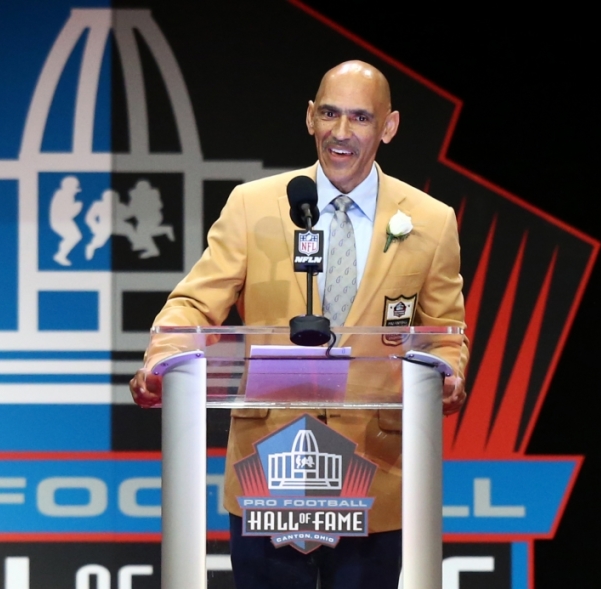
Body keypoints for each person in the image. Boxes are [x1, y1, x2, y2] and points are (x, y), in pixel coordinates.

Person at [130, 60, 469, 589]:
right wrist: (162, 357)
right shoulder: (255, 207)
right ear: (310, 117)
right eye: (329, 113)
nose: (340, 132)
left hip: (374, 476)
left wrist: (445, 375)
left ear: (389, 126)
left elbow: (444, 327)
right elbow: (194, 305)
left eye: (360, 118)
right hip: (267, 472)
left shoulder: (429, 220)